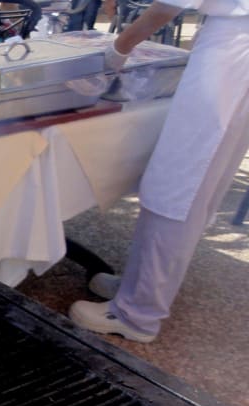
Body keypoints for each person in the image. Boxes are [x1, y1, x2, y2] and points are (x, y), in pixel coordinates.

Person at [68, 0, 249, 343]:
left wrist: (118, 48)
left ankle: (136, 314)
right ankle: (138, 287)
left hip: (232, 53)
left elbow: (167, 6)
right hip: (234, 48)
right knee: (198, 184)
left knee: (180, 185)